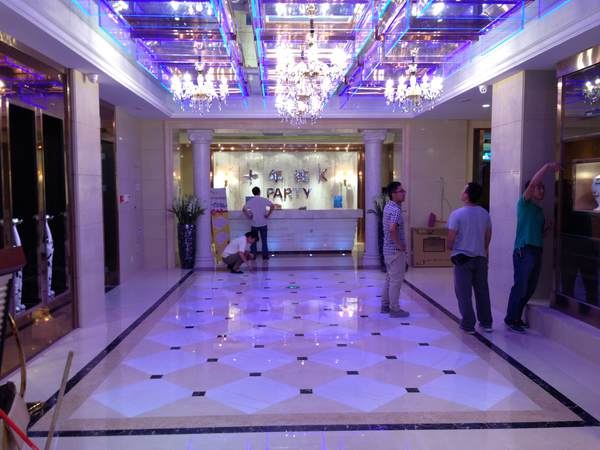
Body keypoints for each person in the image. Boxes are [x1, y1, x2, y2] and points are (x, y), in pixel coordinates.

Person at [504, 161, 561, 332]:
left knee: (530, 287)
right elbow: (533, 183)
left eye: (543, 188)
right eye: (538, 188)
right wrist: (547, 167)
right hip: (524, 250)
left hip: (536, 250)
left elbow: (540, 235)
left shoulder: (538, 211)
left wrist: (548, 228)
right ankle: (511, 318)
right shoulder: (524, 204)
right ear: (530, 190)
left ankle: (516, 317)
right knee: (521, 286)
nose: (541, 190)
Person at [447, 183, 493, 334]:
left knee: (463, 293)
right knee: (482, 291)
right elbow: (488, 235)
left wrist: (451, 247)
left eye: (463, 189)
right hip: (480, 257)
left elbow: (451, 239)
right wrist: (482, 249)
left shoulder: (457, 214)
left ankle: (468, 324)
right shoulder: (485, 214)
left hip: (462, 258)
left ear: (467, 195)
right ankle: (486, 322)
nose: (461, 191)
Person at [381, 181, 410, 318]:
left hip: (387, 250)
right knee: (396, 281)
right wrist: (400, 245)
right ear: (393, 194)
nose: (404, 193)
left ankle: (385, 305)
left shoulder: (388, 206)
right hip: (395, 251)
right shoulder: (396, 210)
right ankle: (394, 309)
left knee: (389, 278)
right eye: (401, 191)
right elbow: (392, 229)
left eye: (403, 191)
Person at [243, 187, 274, 259]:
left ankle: (253, 256)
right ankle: (265, 256)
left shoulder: (251, 201)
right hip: (263, 223)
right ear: (259, 192)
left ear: (253, 193)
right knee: (264, 241)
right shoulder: (263, 199)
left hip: (254, 224)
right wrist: (268, 214)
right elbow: (272, 206)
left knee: (253, 241)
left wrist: (249, 216)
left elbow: (243, 209)